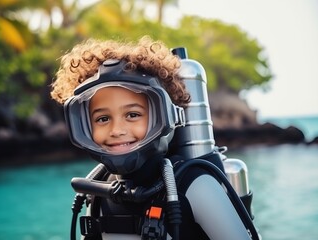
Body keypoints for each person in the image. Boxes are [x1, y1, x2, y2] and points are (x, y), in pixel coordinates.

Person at [51, 36, 259, 240]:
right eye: (103, 118)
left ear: (164, 117)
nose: (117, 130)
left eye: (133, 115)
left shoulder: (193, 184)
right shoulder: (98, 190)